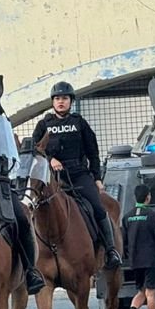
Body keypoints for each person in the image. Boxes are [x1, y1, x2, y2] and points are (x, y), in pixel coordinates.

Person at [30, 81, 121, 270]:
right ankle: (31, 260)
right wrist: (50, 159)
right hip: (54, 179)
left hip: (79, 176)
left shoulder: (80, 123)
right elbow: (34, 151)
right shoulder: (43, 125)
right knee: (33, 208)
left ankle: (111, 250)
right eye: (57, 98)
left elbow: (93, 152)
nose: (60, 102)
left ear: (70, 101)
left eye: (64, 98)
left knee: (98, 207)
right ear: (53, 102)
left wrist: (97, 178)